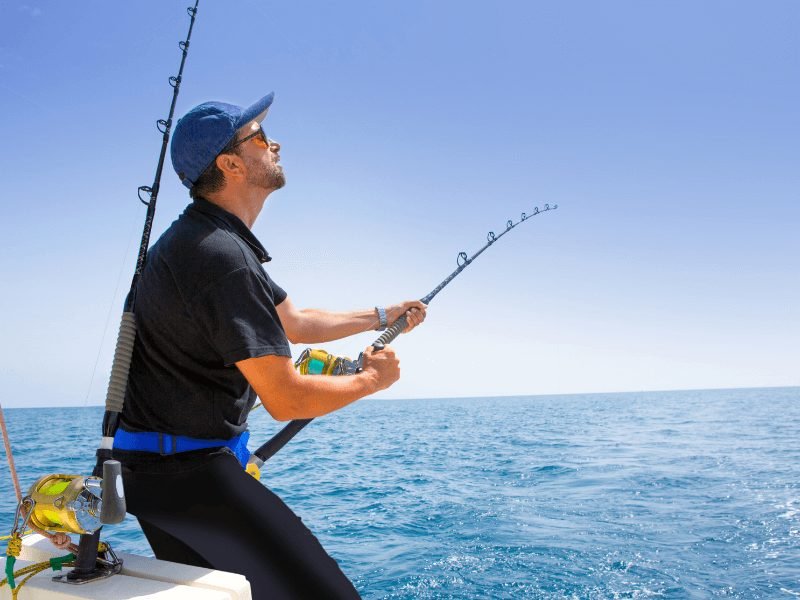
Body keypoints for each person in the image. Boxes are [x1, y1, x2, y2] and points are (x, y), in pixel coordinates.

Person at [112, 92, 427, 599]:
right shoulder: (222, 260)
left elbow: (296, 323)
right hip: (189, 477)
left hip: (150, 474)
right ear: (231, 163)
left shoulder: (205, 242)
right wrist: (371, 379)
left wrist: (383, 316)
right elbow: (286, 399)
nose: (274, 142)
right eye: (258, 136)